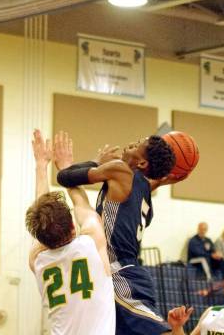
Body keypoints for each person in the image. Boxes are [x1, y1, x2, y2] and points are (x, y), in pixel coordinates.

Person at [56, 131, 178, 334]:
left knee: (159, 331)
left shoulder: (120, 170)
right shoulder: (144, 188)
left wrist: (95, 161)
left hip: (119, 273)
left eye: (135, 146)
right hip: (128, 271)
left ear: (141, 164)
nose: (129, 144)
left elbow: (65, 177)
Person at [26, 130, 115, 335]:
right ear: (73, 226)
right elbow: (80, 203)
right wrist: (66, 169)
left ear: (42, 239)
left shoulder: (38, 260)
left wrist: (41, 166)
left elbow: (42, 212)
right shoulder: (90, 241)